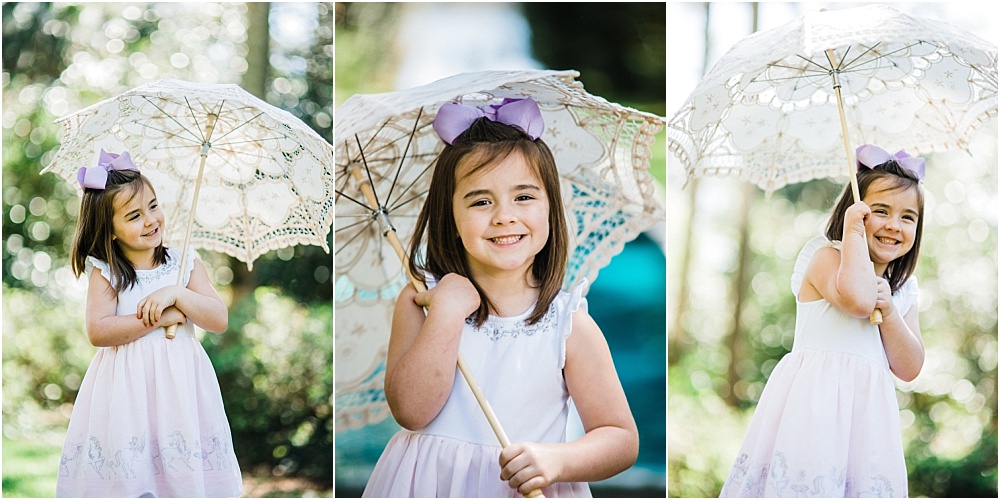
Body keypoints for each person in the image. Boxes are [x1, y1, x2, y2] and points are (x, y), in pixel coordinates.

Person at [362, 98, 638, 497]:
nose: (504, 216)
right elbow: (411, 411)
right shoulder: (422, 298)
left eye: (524, 197)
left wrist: (556, 460)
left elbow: (620, 438)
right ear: (450, 217)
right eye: (480, 201)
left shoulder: (568, 323)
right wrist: (448, 312)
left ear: (550, 208)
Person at [719, 145, 927, 498]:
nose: (894, 225)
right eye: (880, 211)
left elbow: (909, 367)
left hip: (866, 420)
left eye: (908, 217)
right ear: (855, 214)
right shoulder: (825, 258)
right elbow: (859, 301)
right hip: (815, 407)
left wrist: (890, 311)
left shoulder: (904, 289)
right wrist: (853, 236)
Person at [56, 150, 242, 497]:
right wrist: (160, 319)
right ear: (109, 230)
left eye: (153, 206)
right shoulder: (107, 271)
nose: (151, 220)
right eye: (134, 216)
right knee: (134, 474)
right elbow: (99, 331)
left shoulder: (184, 262)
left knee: (180, 470)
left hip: (181, 383)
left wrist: (178, 294)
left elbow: (218, 319)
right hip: (128, 386)